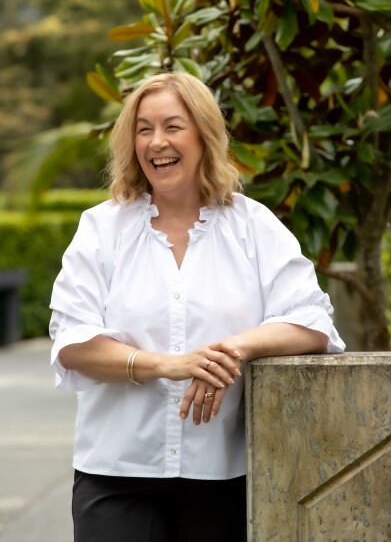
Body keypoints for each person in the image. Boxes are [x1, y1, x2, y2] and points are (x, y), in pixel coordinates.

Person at [49, 72, 345, 542]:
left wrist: (232, 350)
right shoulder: (101, 229)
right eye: (143, 129)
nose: (156, 142)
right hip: (116, 474)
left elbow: (312, 322)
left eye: (172, 126)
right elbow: (72, 342)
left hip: (222, 474)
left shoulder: (253, 226)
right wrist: (169, 365)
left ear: (204, 135)